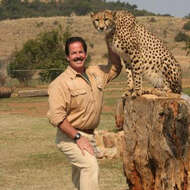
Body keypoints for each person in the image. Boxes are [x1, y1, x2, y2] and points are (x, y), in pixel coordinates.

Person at [47, 36, 122, 190]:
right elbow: (57, 117)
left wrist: (110, 43)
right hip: (70, 136)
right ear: (68, 57)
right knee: (90, 167)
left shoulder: (95, 72)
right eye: (74, 53)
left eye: (81, 52)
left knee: (81, 176)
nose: (78, 56)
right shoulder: (60, 83)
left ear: (85, 54)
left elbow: (115, 67)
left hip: (89, 134)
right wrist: (78, 137)